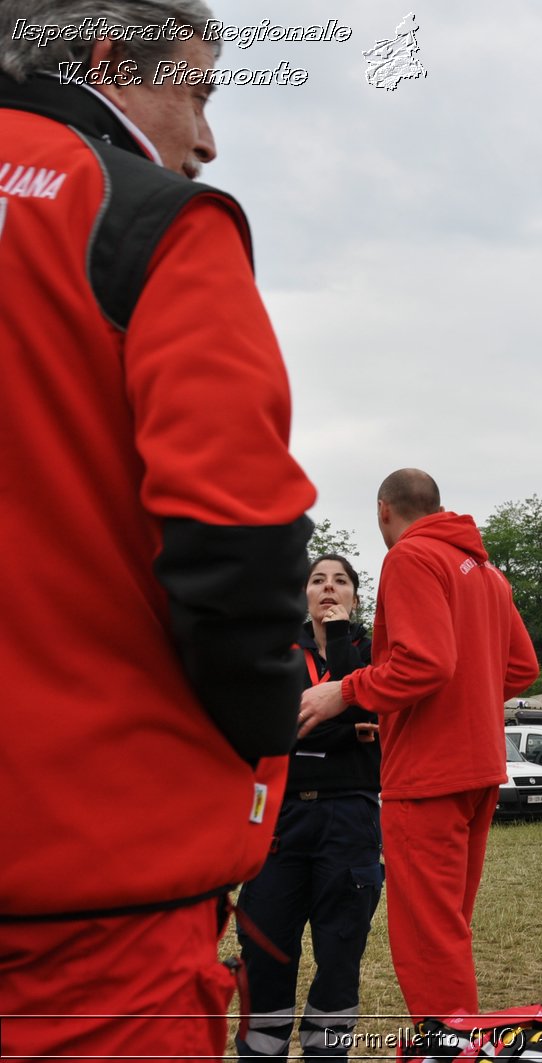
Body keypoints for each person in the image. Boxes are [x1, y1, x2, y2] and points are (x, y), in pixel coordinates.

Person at [0, 2, 316, 1058]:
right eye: (200, 89)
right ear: (103, 60)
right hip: (89, 892)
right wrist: (252, 737)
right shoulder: (150, 221)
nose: (208, 138)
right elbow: (240, 534)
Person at [298, 469, 540, 1024]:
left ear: (385, 510)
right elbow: (521, 667)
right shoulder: (488, 573)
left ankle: (447, 1049)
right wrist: (460, 699)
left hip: (428, 776)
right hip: (479, 772)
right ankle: (461, 1042)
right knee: (448, 930)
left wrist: (346, 689)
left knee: (429, 941)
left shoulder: (410, 558)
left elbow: (425, 663)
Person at [238, 555, 383, 1060]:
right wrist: (350, 732)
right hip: (281, 820)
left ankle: (327, 1054)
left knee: (340, 956)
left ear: (356, 598)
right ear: (303, 595)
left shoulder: (376, 652)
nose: (328, 589)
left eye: (340, 581)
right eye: (317, 581)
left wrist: (341, 642)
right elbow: (268, 727)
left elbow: (363, 704)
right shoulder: (279, 653)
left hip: (350, 818)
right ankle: (262, 1052)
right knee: (265, 950)